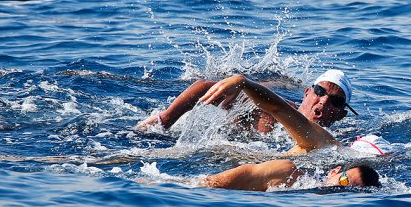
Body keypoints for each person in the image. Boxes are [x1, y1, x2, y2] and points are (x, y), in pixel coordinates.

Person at [137, 69, 358, 136]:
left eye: (335, 101)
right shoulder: (270, 108)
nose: (324, 101)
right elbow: (203, 86)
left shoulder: (334, 139)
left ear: (340, 115)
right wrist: (165, 119)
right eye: (320, 92)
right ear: (307, 93)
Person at [200, 159, 380, 191]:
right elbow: (208, 185)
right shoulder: (286, 173)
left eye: (350, 191)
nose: (340, 189)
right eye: (343, 180)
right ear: (334, 172)